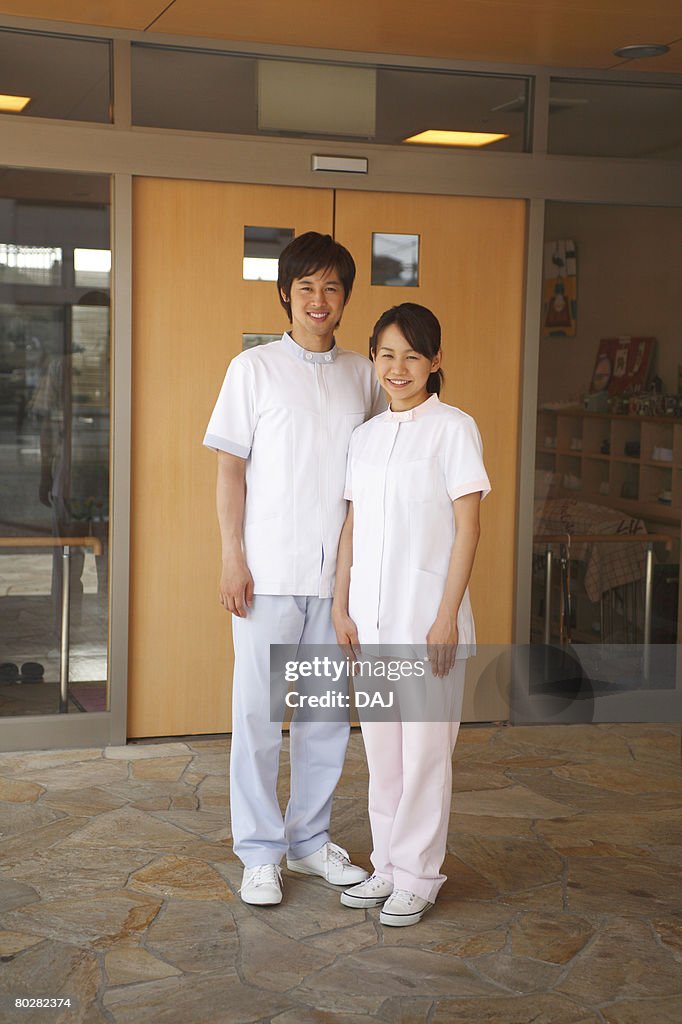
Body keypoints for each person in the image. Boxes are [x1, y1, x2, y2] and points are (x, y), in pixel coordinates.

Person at [203, 232, 384, 905]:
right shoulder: (252, 369)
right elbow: (230, 471)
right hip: (267, 573)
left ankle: (308, 843)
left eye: (332, 287)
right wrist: (232, 557)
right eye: (306, 286)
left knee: (324, 718)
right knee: (257, 715)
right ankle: (258, 852)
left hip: (336, 581)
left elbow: (373, 476)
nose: (319, 299)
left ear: (345, 298)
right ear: (286, 293)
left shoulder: (364, 375)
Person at [332, 302, 490, 926]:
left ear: (435, 360)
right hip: (370, 622)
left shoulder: (454, 429)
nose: (397, 368)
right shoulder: (365, 437)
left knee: (425, 756)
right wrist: (341, 604)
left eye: (412, 356)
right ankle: (389, 867)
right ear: (373, 357)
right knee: (384, 757)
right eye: (387, 354)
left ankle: (420, 876)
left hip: (429, 623)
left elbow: (468, 528)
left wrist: (447, 615)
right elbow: (352, 527)